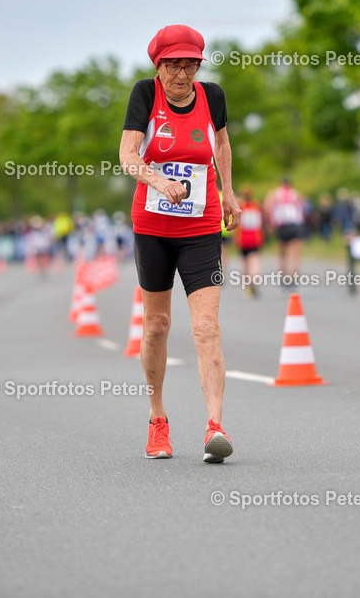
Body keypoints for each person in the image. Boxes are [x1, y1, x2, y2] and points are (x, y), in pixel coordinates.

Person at [119, 24, 241, 463]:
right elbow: (128, 156)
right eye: (173, 65)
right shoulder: (145, 94)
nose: (182, 74)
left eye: (191, 65)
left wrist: (228, 192)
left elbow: (221, 144)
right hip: (152, 226)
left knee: (206, 326)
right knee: (157, 325)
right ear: (158, 65)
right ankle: (157, 419)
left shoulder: (213, 96)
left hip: (201, 225)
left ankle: (215, 427)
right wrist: (159, 181)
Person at [265, 177, 305, 283]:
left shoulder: (275, 193)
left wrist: (270, 224)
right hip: (294, 224)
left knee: (282, 253)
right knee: (295, 254)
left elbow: (267, 207)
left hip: (281, 225)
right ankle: (294, 276)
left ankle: (283, 276)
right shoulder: (296, 193)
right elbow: (304, 207)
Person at [235, 186, 264, 298]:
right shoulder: (256, 206)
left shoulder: (239, 206)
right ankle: (254, 279)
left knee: (245, 262)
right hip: (255, 237)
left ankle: (247, 285)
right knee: (254, 260)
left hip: (243, 238)